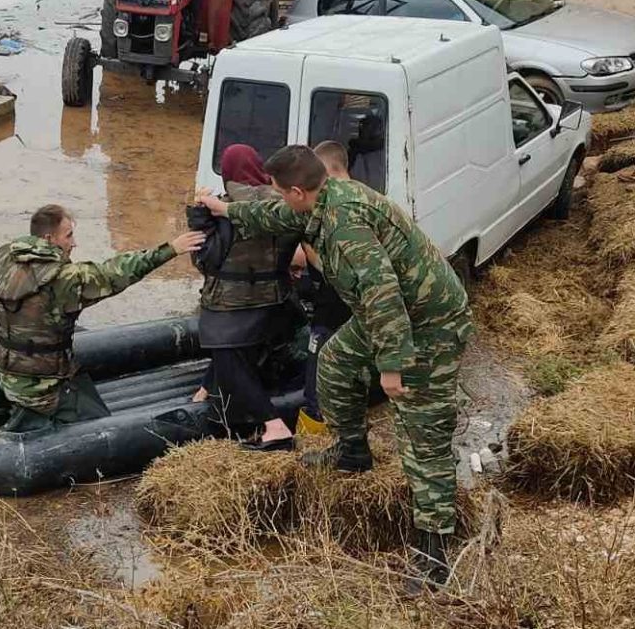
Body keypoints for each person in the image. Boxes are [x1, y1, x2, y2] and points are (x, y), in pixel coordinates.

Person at [196, 146, 473, 591]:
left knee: (422, 433)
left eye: (282, 194)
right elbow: (276, 216)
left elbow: (383, 293)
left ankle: (433, 553)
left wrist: (391, 366)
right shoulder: (321, 199)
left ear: (299, 190)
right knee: (334, 365)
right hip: (384, 316)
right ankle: (352, 452)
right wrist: (223, 208)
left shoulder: (346, 224)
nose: (281, 202)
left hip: (428, 324)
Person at [0, 205, 205, 432]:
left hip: (6, 377)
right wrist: (170, 249)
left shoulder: (1, 266)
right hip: (46, 389)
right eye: (68, 236)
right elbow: (117, 272)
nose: (74, 243)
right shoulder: (65, 281)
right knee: (100, 425)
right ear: (48, 239)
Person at [189, 145, 301, 451]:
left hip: (232, 306)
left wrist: (198, 219)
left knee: (227, 352)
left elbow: (205, 261)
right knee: (236, 354)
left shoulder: (223, 210)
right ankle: (207, 387)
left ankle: (273, 425)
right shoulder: (283, 205)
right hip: (275, 303)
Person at [293, 141, 355, 436]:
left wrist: (305, 250)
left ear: (327, 171)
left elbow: (335, 269)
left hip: (334, 312)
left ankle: (313, 441)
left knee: (316, 384)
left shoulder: (340, 209)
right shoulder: (369, 199)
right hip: (357, 315)